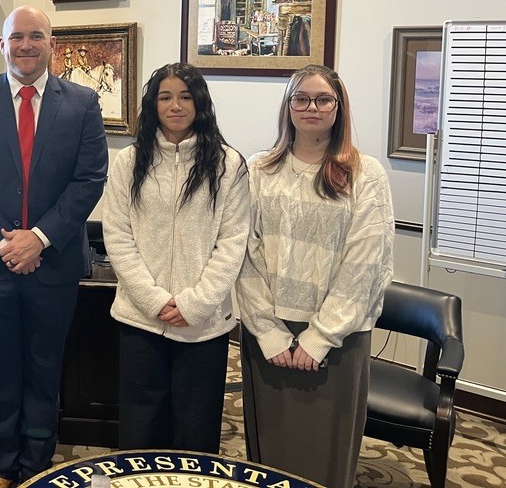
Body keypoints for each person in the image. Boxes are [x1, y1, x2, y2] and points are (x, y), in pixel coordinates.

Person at [0, 5, 107, 488]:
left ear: (51, 44)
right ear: (2, 44)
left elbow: (89, 180)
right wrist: (7, 242)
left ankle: (37, 465)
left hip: (54, 263)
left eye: (36, 36)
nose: (26, 45)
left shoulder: (82, 102)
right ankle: (0, 464)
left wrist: (38, 238)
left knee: (44, 367)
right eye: (17, 37)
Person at [235, 64, 394, 488]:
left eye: (323, 99)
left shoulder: (366, 174)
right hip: (269, 336)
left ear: (338, 107)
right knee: (270, 453)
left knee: (325, 454)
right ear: (288, 106)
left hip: (338, 338)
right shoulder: (258, 170)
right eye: (301, 98)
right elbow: (243, 254)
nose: (312, 108)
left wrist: (320, 336)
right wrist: (268, 331)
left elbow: (366, 263)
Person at [102, 63, 249, 453]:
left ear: (200, 103)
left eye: (185, 97)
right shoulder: (129, 161)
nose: (176, 106)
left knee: (196, 426)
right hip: (140, 316)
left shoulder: (228, 165)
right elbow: (117, 235)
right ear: (153, 104)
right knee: (141, 423)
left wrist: (194, 303)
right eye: (165, 97)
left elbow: (232, 243)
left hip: (202, 323)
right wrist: (153, 299)